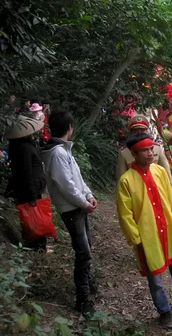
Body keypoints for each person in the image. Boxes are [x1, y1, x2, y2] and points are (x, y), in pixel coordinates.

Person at [116, 133, 172, 328]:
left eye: (151, 148)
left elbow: (171, 198)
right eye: (145, 150)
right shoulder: (126, 181)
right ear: (134, 154)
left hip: (169, 231)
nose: (150, 153)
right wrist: (137, 240)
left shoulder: (160, 172)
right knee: (156, 280)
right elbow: (125, 215)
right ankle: (164, 312)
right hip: (148, 238)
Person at [42, 110, 97, 316]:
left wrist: (89, 195)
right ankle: (83, 301)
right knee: (83, 253)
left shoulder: (64, 151)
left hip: (78, 206)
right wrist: (84, 203)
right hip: (71, 209)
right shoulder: (57, 153)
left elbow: (78, 179)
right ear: (70, 128)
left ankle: (90, 286)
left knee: (87, 248)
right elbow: (66, 185)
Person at [5, 115, 47, 251]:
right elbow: (27, 173)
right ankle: (38, 246)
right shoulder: (24, 148)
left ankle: (37, 244)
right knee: (34, 217)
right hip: (31, 188)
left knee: (34, 216)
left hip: (32, 187)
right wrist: (32, 196)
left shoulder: (23, 146)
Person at [116, 114, 172, 190]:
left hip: (157, 190)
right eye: (135, 130)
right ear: (131, 132)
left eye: (142, 130)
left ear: (147, 131)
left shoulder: (157, 148)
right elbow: (121, 179)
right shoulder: (124, 152)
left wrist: (171, 193)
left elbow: (167, 174)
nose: (139, 133)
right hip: (136, 192)